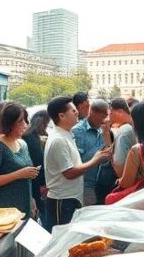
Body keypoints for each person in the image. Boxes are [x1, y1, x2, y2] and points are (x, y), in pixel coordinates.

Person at [43, 96, 110, 228]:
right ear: (62, 116)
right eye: (73, 111)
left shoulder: (66, 135)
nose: (77, 113)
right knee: (60, 240)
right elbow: (69, 173)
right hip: (62, 199)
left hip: (71, 197)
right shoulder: (59, 140)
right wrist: (95, 160)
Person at [0, 102, 38, 217]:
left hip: (23, 206)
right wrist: (18, 174)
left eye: (26, 120)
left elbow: (25, 176)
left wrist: (31, 199)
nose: (25, 125)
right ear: (9, 123)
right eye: (20, 121)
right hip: (3, 211)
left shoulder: (22, 144)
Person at [73, 98, 113, 206]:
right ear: (92, 112)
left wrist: (106, 134)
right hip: (85, 184)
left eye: (107, 116)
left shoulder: (105, 129)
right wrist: (98, 155)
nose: (106, 119)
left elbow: (109, 155)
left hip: (103, 184)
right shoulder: (78, 131)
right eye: (103, 116)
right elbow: (77, 160)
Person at [22, 110, 49, 218]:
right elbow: (38, 162)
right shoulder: (31, 138)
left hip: (32, 181)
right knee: (41, 213)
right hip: (35, 182)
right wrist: (44, 183)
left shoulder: (29, 135)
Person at [109, 97, 137, 178]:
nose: (109, 116)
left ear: (120, 111)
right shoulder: (132, 124)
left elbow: (119, 164)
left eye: (111, 113)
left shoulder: (124, 131)